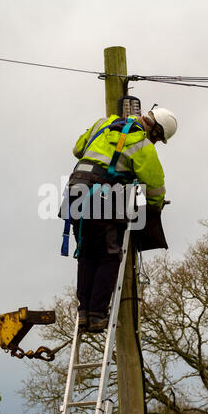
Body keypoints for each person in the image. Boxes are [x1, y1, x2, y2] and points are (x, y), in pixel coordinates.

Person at [64, 107, 177, 333]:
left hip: (74, 191)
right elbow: (155, 189)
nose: (154, 143)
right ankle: (96, 315)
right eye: (156, 139)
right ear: (154, 132)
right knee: (109, 256)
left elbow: (78, 149)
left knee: (86, 255)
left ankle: (85, 313)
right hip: (101, 195)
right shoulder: (142, 146)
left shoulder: (102, 123)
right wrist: (154, 209)